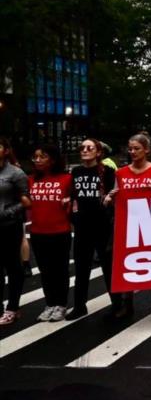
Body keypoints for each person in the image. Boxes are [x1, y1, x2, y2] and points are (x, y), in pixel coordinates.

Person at [105, 133, 151, 319]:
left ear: (146, 150)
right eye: (130, 148)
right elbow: (114, 197)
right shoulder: (121, 173)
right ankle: (127, 303)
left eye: (136, 148)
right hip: (126, 225)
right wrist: (109, 198)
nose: (132, 152)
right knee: (124, 261)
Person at [66, 138, 117, 320]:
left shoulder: (108, 172)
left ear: (98, 152)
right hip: (81, 226)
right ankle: (79, 306)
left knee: (108, 267)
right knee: (81, 267)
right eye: (82, 147)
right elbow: (73, 195)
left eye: (90, 148)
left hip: (102, 226)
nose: (85, 150)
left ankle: (116, 304)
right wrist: (71, 208)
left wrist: (110, 200)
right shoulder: (76, 171)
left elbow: (117, 194)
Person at [28, 143, 73, 323]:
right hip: (38, 232)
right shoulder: (30, 179)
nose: (38, 160)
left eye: (42, 157)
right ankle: (50, 304)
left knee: (60, 270)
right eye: (35, 157)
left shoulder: (66, 179)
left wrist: (70, 200)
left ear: (53, 160)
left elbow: (77, 199)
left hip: (60, 231)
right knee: (44, 270)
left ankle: (61, 305)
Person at [0, 137, 30, 325]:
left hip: (9, 226)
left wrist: (6, 213)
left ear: (6, 150)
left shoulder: (16, 173)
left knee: (12, 266)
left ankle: (13, 307)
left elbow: (27, 201)